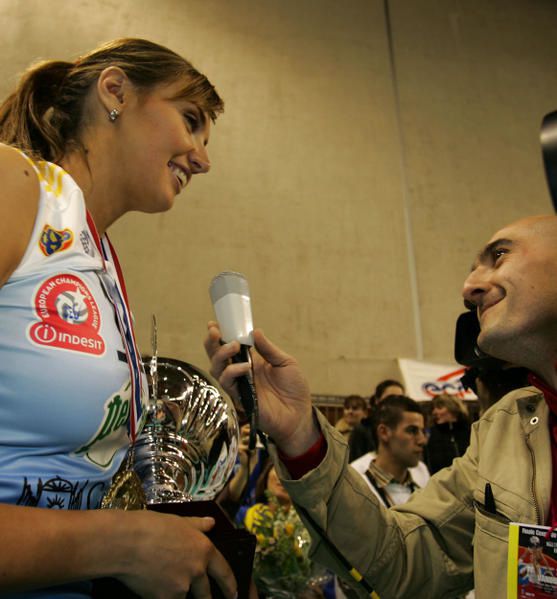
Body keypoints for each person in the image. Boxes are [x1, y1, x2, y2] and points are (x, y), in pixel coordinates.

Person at [205, 214, 557, 598]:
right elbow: (403, 561)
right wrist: (300, 436)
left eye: (500, 255)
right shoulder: (503, 432)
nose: (469, 288)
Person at [0, 38, 237, 598]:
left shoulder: (100, 262)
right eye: (191, 120)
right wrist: (120, 544)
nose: (203, 158)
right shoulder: (16, 188)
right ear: (116, 92)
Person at [348, 379, 404, 461]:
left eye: (400, 399)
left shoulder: (405, 429)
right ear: (377, 401)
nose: (395, 403)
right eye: (390, 398)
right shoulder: (362, 430)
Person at [425, 393, 471, 474]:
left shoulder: (470, 432)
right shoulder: (431, 436)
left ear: (453, 409)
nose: (434, 412)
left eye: (439, 407)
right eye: (433, 409)